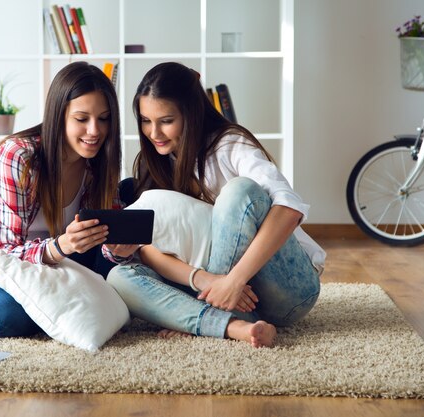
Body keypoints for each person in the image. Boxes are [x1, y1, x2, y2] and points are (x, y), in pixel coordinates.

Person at [106, 62, 326, 348]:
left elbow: (289, 207)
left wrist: (234, 281)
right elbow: (149, 248)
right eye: (146, 121)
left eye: (166, 120)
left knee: (241, 190)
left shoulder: (229, 145)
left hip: (285, 292)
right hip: (209, 290)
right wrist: (206, 281)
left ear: (191, 113)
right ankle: (234, 326)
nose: (154, 132)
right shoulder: (155, 164)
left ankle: (202, 319)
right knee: (121, 276)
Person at [0, 61, 124, 337]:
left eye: (104, 118)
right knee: (7, 317)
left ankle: (62, 306)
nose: (95, 131)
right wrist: (61, 246)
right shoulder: (18, 157)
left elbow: (101, 245)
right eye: (82, 119)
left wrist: (118, 249)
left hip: (60, 266)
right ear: (58, 116)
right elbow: (4, 249)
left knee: (124, 277)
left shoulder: (98, 163)